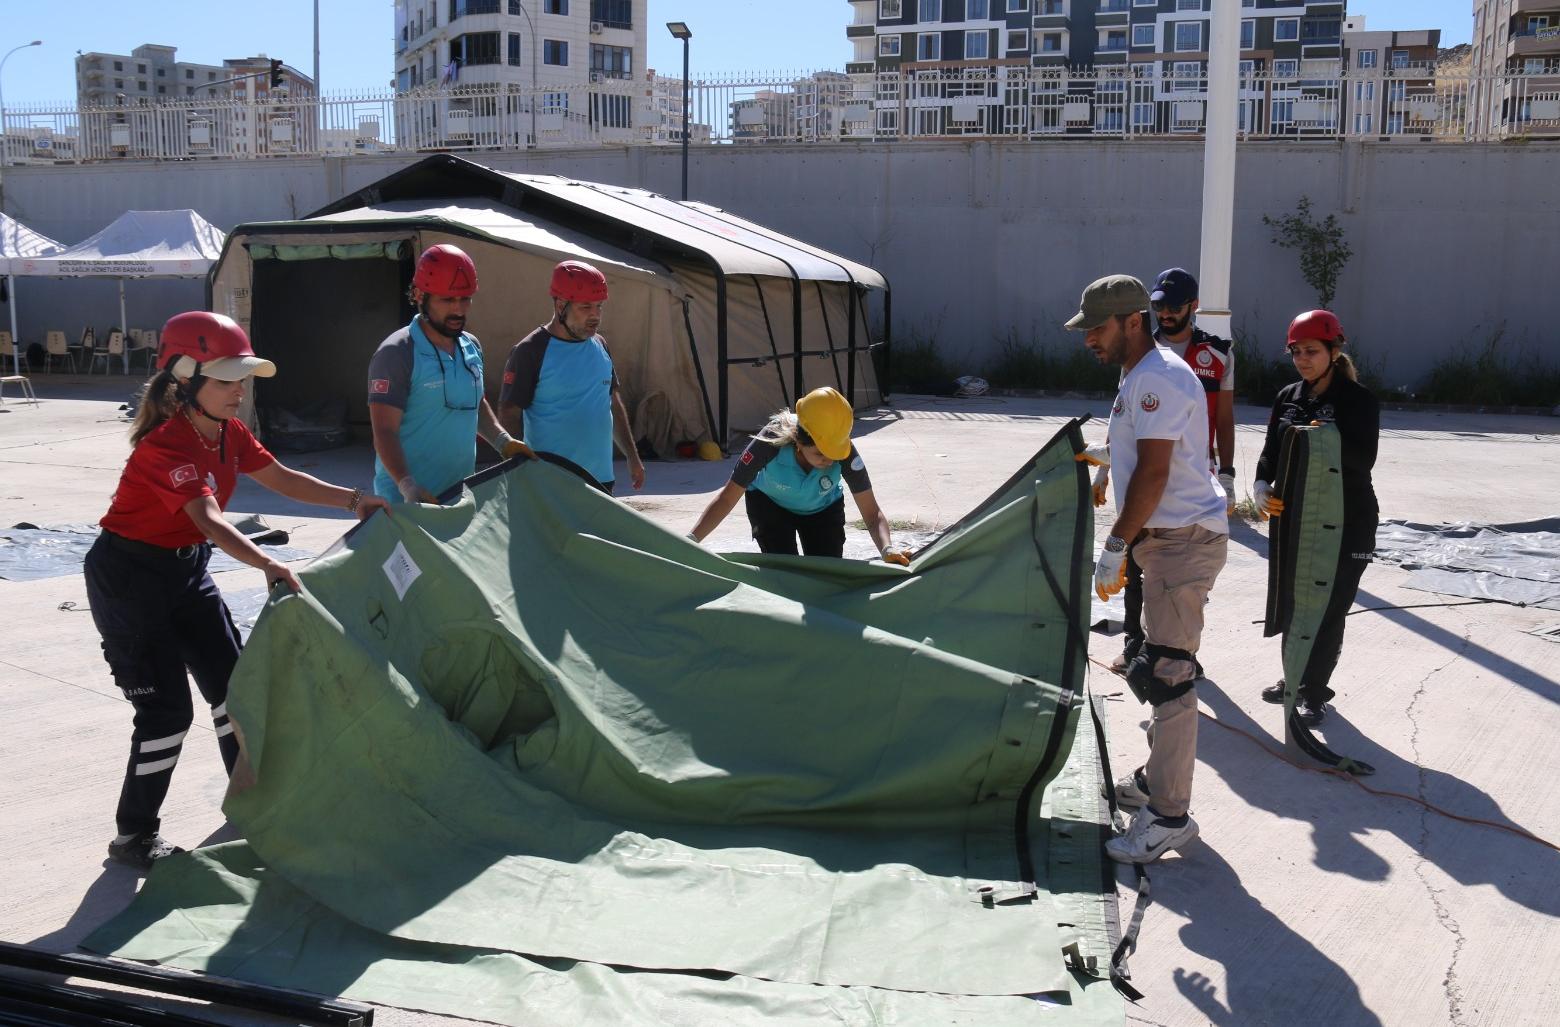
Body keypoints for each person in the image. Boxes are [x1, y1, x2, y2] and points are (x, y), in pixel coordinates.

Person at [86, 311, 391, 870]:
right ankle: (133, 836)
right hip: (130, 582)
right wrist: (267, 562)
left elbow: (281, 478)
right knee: (166, 715)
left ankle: (253, 799)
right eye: (226, 379)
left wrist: (355, 500)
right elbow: (209, 520)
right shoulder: (167, 447)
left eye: (242, 378)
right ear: (185, 379)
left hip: (184, 572)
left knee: (236, 691)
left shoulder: (227, 432)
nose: (239, 390)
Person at [1069, 274, 1228, 865]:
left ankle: (1169, 815)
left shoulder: (1157, 376)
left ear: (1132, 320)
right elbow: (1150, 452)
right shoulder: (1138, 375)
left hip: (1179, 542)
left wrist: (1114, 543)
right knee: (1155, 663)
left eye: (1097, 328)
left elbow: (1157, 473)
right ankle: (1157, 778)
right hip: (1162, 542)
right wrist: (1110, 458)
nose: (1088, 340)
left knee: (1171, 677)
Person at [1089, 268, 1237, 674]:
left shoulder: (1205, 356)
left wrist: (1229, 472)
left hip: (1182, 508)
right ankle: (1149, 646)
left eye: (1174, 306)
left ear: (1193, 307)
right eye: (1160, 306)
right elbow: (1133, 431)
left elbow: (1221, 420)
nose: (1166, 313)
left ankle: (1171, 654)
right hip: (1159, 516)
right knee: (1143, 597)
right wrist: (1106, 462)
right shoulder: (1139, 363)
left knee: (1169, 674)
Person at [1253, 310, 1379, 726]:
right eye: (1296, 352)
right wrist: (1260, 485)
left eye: (1312, 351)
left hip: (1348, 521)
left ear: (1334, 350)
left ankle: (1314, 691)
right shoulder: (1288, 396)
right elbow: (1271, 451)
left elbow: (1362, 461)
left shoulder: (1359, 401)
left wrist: (1316, 436)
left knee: (1329, 607)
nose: (1303, 359)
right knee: (1295, 602)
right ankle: (1294, 676)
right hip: (1295, 519)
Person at [368, 244, 528, 505]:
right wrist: (406, 485)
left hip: (459, 498)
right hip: (406, 505)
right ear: (420, 295)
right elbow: (384, 431)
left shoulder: (471, 346)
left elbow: (475, 401)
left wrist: (503, 441)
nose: (459, 310)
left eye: (465, 299)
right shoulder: (397, 353)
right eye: (447, 300)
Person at [686, 386, 910, 564]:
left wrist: (886, 548)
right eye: (820, 453)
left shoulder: (844, 451)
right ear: (798, 442)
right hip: (770, 506)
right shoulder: (769, 442)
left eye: (834, 452)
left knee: (826, 574)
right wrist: (690, 541)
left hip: (822, 509)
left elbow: (872, 513)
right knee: (784, 573)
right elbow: (726, 498)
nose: (829, 460)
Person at [496, 260, 645, 494]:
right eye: (586, 307)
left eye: (599, 306)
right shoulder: (531, 350)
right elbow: (509, 413)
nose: (595, 316)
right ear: (561, 305)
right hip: (550, 483)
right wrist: (516, 469)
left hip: (601, 481)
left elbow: (613, 404)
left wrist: (632, 457)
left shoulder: (600, 345)